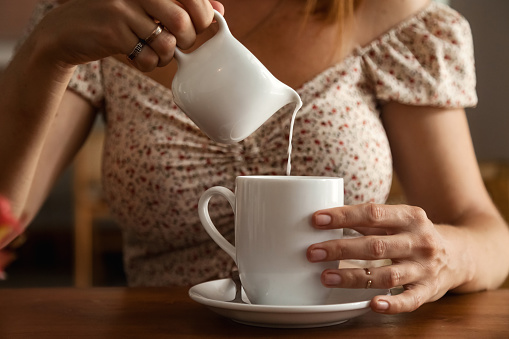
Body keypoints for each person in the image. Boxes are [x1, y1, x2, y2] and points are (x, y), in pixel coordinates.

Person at [1, 0, 508, 314]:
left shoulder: (387, 17)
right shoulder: (104, 18)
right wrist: (50, 46)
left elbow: (485, 231)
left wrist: (449, 254)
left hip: (344, 329)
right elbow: (4, 220)